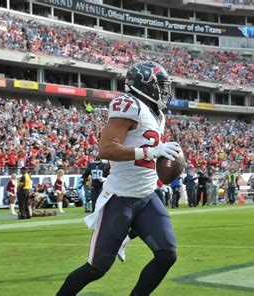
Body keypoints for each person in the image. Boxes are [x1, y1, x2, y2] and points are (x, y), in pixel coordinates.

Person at [57, 61, 181, 296]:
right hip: (119, 199)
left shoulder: (158, 114)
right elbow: (105, 149)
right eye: (161, 86)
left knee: (167, 254)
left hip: (146, 196)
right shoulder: (128, 104)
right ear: (145, 85)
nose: (165, 91)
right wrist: (149, 152)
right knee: (97, 268)